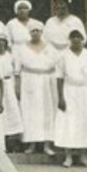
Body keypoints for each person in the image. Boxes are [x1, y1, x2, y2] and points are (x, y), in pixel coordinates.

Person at [55, 29, 87, 167]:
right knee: (69, 122)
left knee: (85, 122)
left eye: (79, 37)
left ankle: (82, 156)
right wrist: (61, 97)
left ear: (83, 39)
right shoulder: (63, 55)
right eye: (73, 37)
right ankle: (68, 156)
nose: (76, 40)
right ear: (69, 39)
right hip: (69, 91)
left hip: (86, 92)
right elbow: (59, 78)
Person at [13, 21, 58, 156]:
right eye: (33, 31)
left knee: (47, 112)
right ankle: (31, 144)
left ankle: (47, 144)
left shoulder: (50, 48)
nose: (35, 33)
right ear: (29, 33)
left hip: (46, 81)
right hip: (29, 81)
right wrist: (18, 87)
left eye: (38, 31)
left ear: (42, 32)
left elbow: (56, 66)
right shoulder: (22, 48)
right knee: (30, 112)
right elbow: (17, 70)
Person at [0, 32, 23, 151]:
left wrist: (16, 87)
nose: (0, 43)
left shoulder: (10, 56)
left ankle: (11, 141)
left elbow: (16, 72)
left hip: (9, 85)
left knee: (11, 111)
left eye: (2, 41)